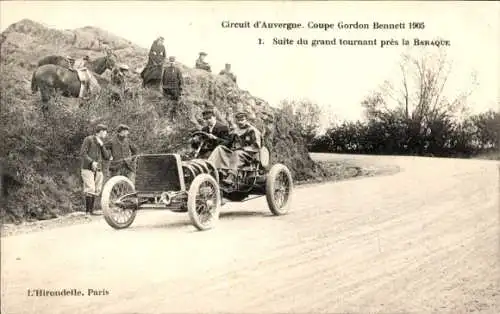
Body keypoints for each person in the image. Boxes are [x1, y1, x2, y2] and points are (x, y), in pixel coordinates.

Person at [208, 110, 262, 184]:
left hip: (249, 155)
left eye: (242, 120)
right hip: (235, 152)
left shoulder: (252, 130)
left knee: (237, 153)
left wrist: (243, 149)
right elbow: (228, 143)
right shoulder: (235, 131)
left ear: (246, 120)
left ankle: (231, 176)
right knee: (220, 148)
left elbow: (256, 146)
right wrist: (216, 139)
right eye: (238, 120)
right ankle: (209, 168)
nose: (240, 122)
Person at [80, 124, 112, 215]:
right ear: (101, 131)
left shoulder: (100, 142)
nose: (106, 133)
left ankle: (91, 211)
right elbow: (83, 153)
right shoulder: (88, 139)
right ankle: (87, 212)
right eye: (105, 131)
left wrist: (102, 146)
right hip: (87, 168)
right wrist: (92, 162)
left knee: (96, 190)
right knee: (90, 188)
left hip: (98, 170)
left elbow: (106, 157)